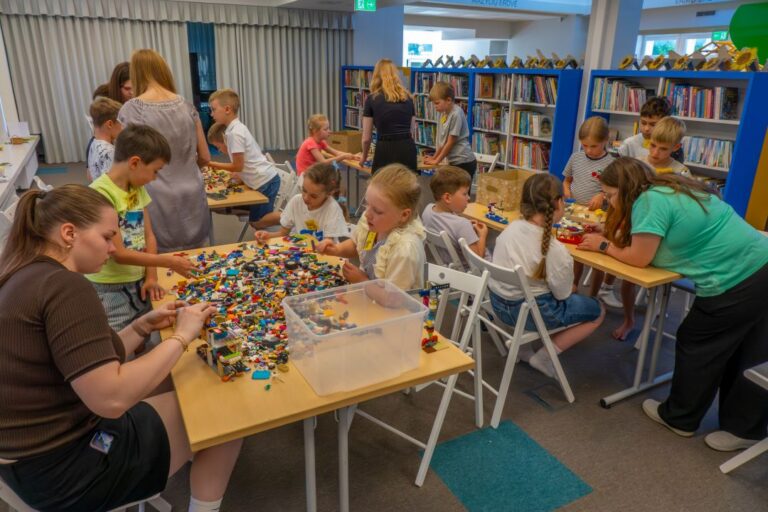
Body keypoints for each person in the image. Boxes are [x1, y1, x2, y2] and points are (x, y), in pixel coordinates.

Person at [0, 185, 242, 512]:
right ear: (69, 233)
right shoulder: (65, 287)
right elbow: (110, 398)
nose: (114, 248)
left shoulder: (25, 274)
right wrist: (181, 337)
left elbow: (85, 360)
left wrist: (140, 327)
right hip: (70, 472)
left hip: (29, 465)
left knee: (181, 376)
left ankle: (177, 452)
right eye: (107, 237)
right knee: (226, 414)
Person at [578, 157, 768, 451]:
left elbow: (640, 258)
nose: (610, 203)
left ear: (626, 189)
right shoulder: (670, 186)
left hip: (736, 278)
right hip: (760, 263)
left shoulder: (649, 201)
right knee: (749, 351)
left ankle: (679, 418)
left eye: (612, 195)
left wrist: (603, 245)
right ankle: (746, 428)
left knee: (698, 341)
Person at [489, 173, 605, 378]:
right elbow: (562, 296)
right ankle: (544, 355)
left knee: (534, 292)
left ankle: (524, 349)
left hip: (497, 304)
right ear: (559, 203)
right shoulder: (557, 250)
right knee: (598, 311)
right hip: (530, 312)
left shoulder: (511, 228)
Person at [87, 125, 195, 332]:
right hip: (111, 288)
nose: (155, 178)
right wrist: (167, 261)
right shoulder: (101, 193)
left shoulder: (136, 187)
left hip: (137, 279)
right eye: (155, 171)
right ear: (135, 162)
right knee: (116, 341)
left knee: (141, 331)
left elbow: (149, 235)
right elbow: (118, 253)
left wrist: (152, 276)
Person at [118, 49, 211, 253]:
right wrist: (186, 169)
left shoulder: (131, 110)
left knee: (162, 267)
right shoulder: (187, 106)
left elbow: (125, 166)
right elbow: (205, 156)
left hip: (156, 196)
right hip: (192, 190)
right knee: (199, 260)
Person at [316, 164, 425, 290]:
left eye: (377, 211)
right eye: (367, 204)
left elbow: (395, 300)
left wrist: (362, 281)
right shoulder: (373, 222)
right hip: (369, 297)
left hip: (395, 307)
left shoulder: (405, 249)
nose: (367, 213)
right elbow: (357, 244)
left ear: (404, 215)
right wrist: (336, 249)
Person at [562, 116, 620, 306]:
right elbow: (567, 180)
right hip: (575, 212)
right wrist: (566, 192)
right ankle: (574, 284)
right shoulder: (576, 157)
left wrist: (602, 196)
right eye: (584, 145)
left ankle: (594, 295)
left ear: (606, 141)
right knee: (577, 252)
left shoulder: (611, 163)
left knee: (597, 259)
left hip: (599, 217)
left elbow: (615, 190)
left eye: (593, 146)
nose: (588, 150)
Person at [207, 88, 281, 230]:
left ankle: (293, 217)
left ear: (227, 109)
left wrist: (211, 163)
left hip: (265, 181)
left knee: (257, 222)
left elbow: (238, 166)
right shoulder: (233, 130)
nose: (212, 114)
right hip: (264, 179)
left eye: (214, 109)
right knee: (256, 222)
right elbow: (241, 166)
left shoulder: (235, 133)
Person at [253, 162, 349, 242]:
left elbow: (328, 245)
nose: (306, 198)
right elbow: (283, 234)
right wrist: (267, 235)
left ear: (329, 194)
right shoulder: (296, 201)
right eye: (304, 190)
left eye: (313, 196)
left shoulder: (332, 208)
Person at [422, 166, 488, 267]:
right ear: (447, 197)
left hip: (448, 266)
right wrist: (482, 235)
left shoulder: (427, 210)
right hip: (473, 273)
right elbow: (478, 260)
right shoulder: (462, 225)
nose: (469, 198)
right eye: (465, 194)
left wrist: (467, 230)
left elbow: (448, 226)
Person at [361, 59, 417, 172]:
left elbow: (366, 139)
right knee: (406, 187)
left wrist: (364, 157)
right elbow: (412, 131)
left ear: (376, 75)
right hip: (407, 148)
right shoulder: (408, 98)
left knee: (383, 187)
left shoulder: (372, 99)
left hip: (385, 149)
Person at [423, 82, 476, 178]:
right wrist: (434, 157)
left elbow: (450, 142)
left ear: (448, 100)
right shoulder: (444, 113)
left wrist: (437, 161)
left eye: (437, 103)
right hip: (454, 161)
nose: (435, 106)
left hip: (464, 162)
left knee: (459, 192)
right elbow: (442, 142)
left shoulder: (456, 114)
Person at [87, 97, 123, 181]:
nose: (123, 127)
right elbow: (112, 184)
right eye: (121, 123)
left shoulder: (93, 143)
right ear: (110, 124)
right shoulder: (110, 152)